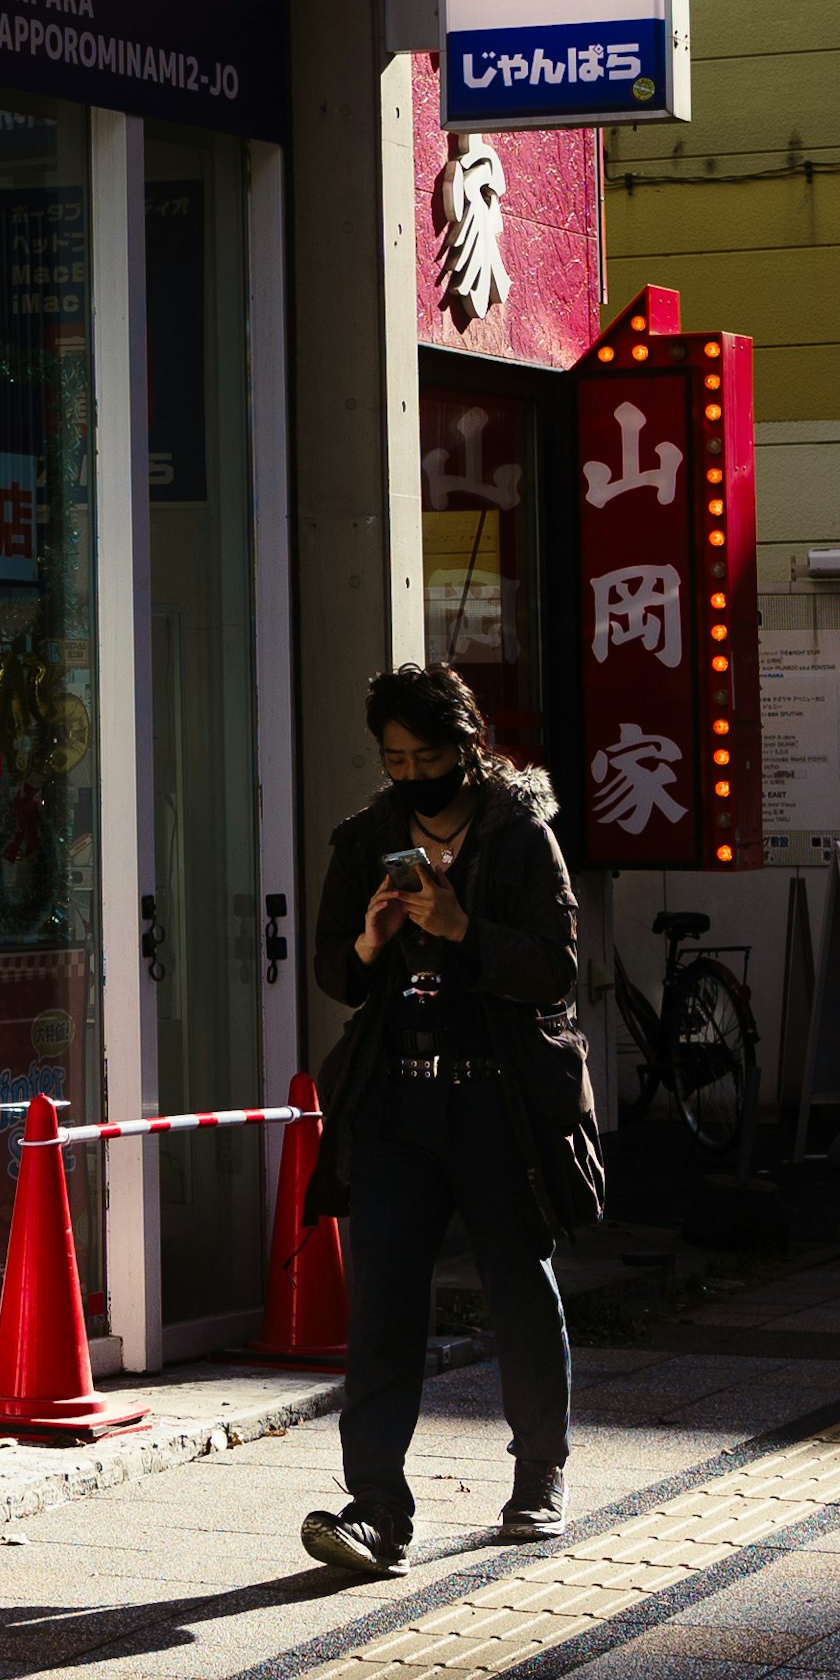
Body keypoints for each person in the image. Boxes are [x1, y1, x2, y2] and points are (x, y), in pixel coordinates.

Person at [297, 661, 599, 1577]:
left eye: (429, 754)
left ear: (469, 746)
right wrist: (371, 939)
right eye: (394, 757)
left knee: (518, 1285)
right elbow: (332, 972)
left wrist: (465, 928)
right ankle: (376, 1509)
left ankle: (539, 1474)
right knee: (384, 1301)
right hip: (397, 1096)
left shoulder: (520, 839)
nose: (412, 773)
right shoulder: (366, 840)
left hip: (498, 1095)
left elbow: (556, 970)